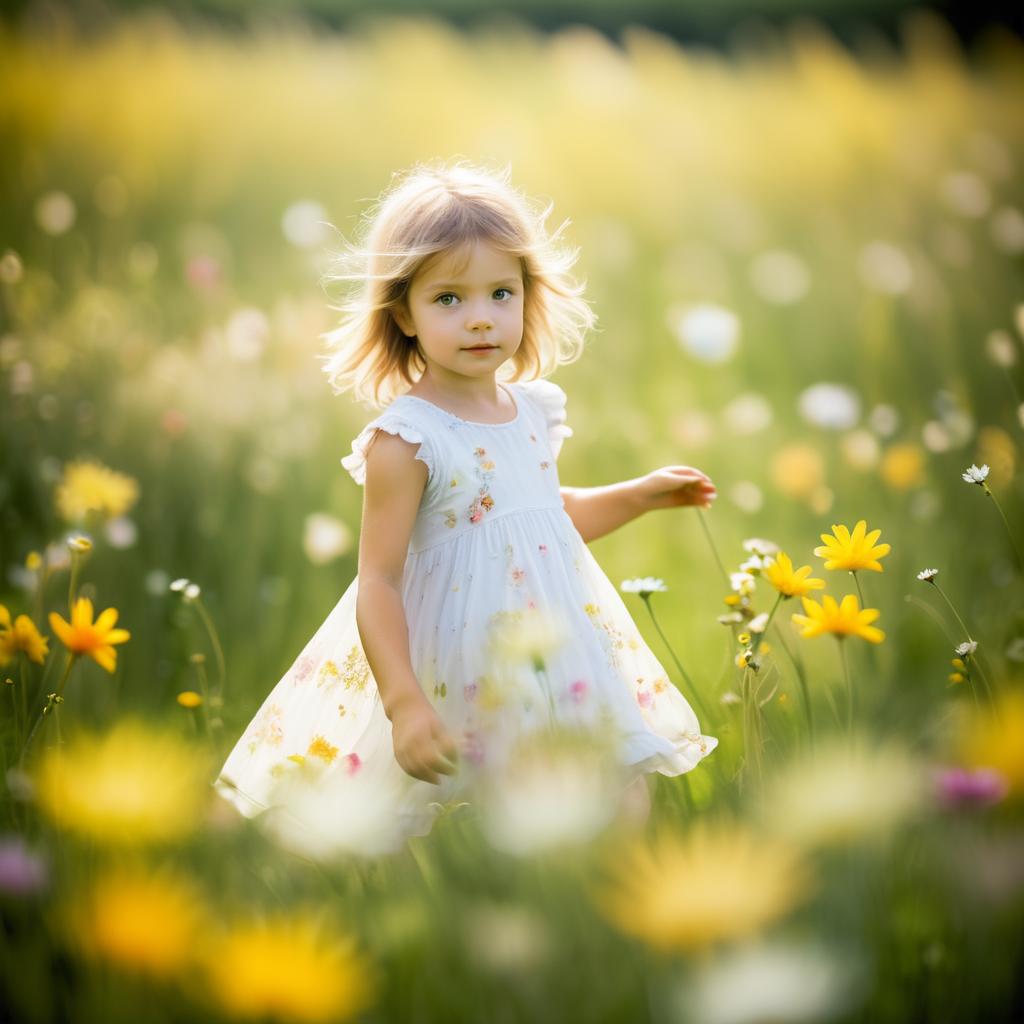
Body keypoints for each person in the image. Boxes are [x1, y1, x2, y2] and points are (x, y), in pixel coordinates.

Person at [213, 159, 719, 849]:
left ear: (526, 295)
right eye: (449, 299)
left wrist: (637, 496)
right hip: (461, 658)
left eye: (500, 294)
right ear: (404, 313)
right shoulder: (408, 439)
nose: (481, 319)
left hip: (555, 651)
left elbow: (542, 523)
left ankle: (598, 923)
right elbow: (380, 579)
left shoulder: (533, 410)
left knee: (610, 787)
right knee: (457, 820)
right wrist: (403, 703)